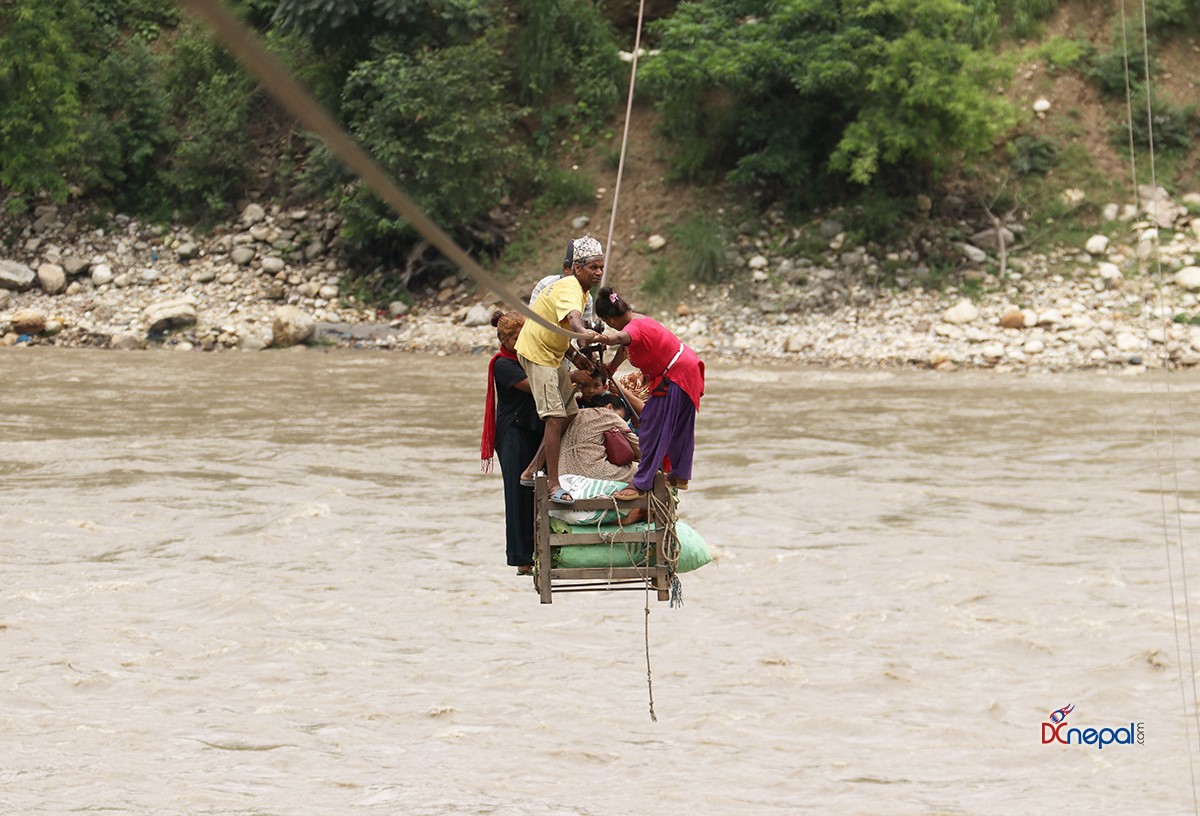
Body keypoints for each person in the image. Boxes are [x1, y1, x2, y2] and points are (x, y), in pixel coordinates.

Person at [514, 236, 604, 505]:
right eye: (592, 267)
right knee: (554, 417)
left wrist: (576, 357)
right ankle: (553, 484)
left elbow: (558, 327)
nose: (598, 272)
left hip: (553, 353)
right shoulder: (569, 288)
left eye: (601, 267)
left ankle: (532, 469)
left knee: (569, 413)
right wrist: (585, 333)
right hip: (537, 354)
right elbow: (574, 320)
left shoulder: (583, 290)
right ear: (576, 268)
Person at [595, 286, 705, 499]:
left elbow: (621, 338)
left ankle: (641, 483)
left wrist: (602, 339)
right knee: (678, 427)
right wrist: (612, 367)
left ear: (610, 320)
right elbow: (625, 346)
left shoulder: (633, 329)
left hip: (676, 374)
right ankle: (680, 475)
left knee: (652, 426)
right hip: (684, 369)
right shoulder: (636, 319)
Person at [480, 311, 543, 575]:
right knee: (517, 493)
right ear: (505, 339)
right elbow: (535, 386)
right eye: (516, 337)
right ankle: (521, 557)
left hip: (533, 428)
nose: (520, 341)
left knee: (538, 490)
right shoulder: (503, 364)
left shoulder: (529, 357)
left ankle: (541, 548)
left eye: (524, 336)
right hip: (513, 433)